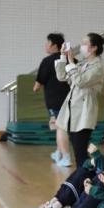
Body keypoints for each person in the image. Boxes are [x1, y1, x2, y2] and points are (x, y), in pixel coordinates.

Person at [55, 33, 104, 168]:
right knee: (79, 150)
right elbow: (61, 77)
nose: (81, 46)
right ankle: (85, 178)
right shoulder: (83, 64)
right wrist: (63, 57)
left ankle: (84, 180)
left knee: (80, 151)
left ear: (94, 47)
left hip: (84, 112)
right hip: (73, 111)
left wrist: (71, 62)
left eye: (85, 43)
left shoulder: (97, 67)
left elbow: (80, 81)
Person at [34, 33, 71, 167]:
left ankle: (66, 156)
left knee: (60, 129)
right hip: (70, 99)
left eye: (47, 43)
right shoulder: (70, 59)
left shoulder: (47, 61)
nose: (45, 45)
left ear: (55, 45)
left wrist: (35, 88)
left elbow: (39, 83)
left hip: (55, 101)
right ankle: (59, 152)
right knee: (59, 127)